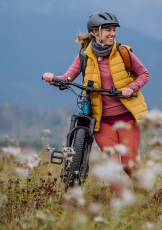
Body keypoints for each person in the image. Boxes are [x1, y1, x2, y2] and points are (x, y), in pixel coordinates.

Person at [43, 11, 149, 194]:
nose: (113, 33)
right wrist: (53, 78)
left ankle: (143, 198)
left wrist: (130, 88)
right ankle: (120, 207)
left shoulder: (124, 53)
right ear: (95, 32)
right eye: (108, 30)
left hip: (127, 119)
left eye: (114, 30)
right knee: (114, 167)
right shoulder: (85, 55)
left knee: (128, 165)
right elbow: (68, 77)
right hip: (102, 121)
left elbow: (144, 74)